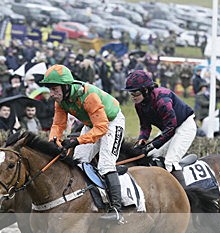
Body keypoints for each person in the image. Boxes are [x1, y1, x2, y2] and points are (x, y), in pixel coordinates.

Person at [40, 64, 126, 221]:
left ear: (66, 86)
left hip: (111, 122)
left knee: (106, 165)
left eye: (54, 89)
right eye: (49, 89)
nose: (51, 94)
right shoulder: (60, 100)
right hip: (91, 123)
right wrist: (54, 140)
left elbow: (101, 128)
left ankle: (117, 210)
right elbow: (58, 125)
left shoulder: (89, 96)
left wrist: (76, 141)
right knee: (79, 163)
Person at [125, 69, 197, 185]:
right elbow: (145, 126)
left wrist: (153, 144)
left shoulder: (162, 100)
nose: (133, 97)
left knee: (170, 161)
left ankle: (187, 197)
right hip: (169, 129)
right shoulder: (139, 105)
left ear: (146, 90)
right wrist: (141, 141)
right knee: (152, 156)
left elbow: (171, 127)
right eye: (131, 93)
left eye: (136, 93)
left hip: (185, 126)